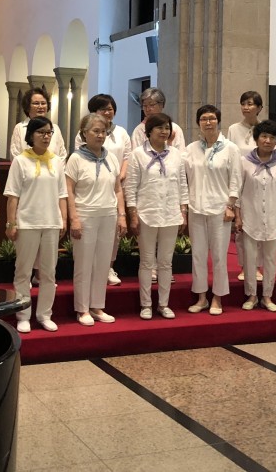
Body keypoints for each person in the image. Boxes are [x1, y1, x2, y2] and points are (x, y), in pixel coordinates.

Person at [4, 116, 68, 333]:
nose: (46, 136)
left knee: (49, 273)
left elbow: (62, 194)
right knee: (23, 271)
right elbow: (12, 196)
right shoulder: (21, 161)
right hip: (27, 223)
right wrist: (11, 223)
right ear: (31, 135)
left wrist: (63, 219)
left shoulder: (57, 161)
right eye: (41, 132)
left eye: (49, 132)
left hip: (51, 223)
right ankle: (23, 315)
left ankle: (44, 314)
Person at [124, 113, 188, 320]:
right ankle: (146, 304)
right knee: (146, 262)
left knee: (166, 262)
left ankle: (163, 303)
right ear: (149, 131)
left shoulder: (176, 155)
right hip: (147, 213)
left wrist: (183, 211)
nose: (164, 131)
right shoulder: (137, 154)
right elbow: (131, 187)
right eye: (159, 127)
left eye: (167, 128)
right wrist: (133, 214)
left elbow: (182, 184)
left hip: (170, 213)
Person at [66, 114, 127, 326]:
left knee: (102, 263)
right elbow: (69, 191)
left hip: (108, 215)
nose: (100, 135)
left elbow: (118, 189)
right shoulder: (76, 158)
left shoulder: (111, 158)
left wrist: (121, 215)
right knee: (84, 264)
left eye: (103, 131)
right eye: (96, 131)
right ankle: (82, 309)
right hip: (85, 215)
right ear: (84, 133)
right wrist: (74, 218)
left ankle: (97, 306)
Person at [185, 105, 241, 316]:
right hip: (196, 208)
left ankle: (217, 297)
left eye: (211, 118)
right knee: (198, 255)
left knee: (218, 256)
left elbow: (236, 179)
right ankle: (201, 297)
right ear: (198, 123)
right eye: (203, 119)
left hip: (220, 209)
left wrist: (231, 205)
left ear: (218, 121)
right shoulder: (191, 149)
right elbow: (183, 177)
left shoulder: (230, 148)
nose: (208, 122)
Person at [73, 94, 132, 286]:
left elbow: (127, 156)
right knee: (89, 240)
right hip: (90, 189)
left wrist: (121, 174)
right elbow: (81, 154)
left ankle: (108, 267)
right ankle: (90, 272)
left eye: (110, 108)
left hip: (114, 184)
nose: (108, 112)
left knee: (112, 234)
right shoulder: (82, 136)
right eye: (103, 109)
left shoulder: (121, 132)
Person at [235, 120, 276, 312]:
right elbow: (238, 190)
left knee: (270, 259)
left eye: (272, 137)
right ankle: (251, 295)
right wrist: (238, 216)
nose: (267, 141)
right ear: (257, 138)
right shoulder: (244, 162)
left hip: (274, 217)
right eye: (264, 136)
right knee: (250, 259)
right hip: (250, 216)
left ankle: (267, 296)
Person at [226, 90, 264, 282]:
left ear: (259, 107)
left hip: (261, 182)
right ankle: (244, 266)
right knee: (241, 225)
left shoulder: (265, 128)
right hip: (240, 181)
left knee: (260, 223)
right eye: (243, 104)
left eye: (250, 104)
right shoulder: (233, 129)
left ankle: (257, 266)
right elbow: (230, 156)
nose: (246, 107)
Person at [9, 87, 67, 160]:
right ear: (28, 106)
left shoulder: (55, 128)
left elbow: (62, 155)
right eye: (36, 103)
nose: (40, 106)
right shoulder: (20, 128)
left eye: (43, 103)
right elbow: (15, 154)